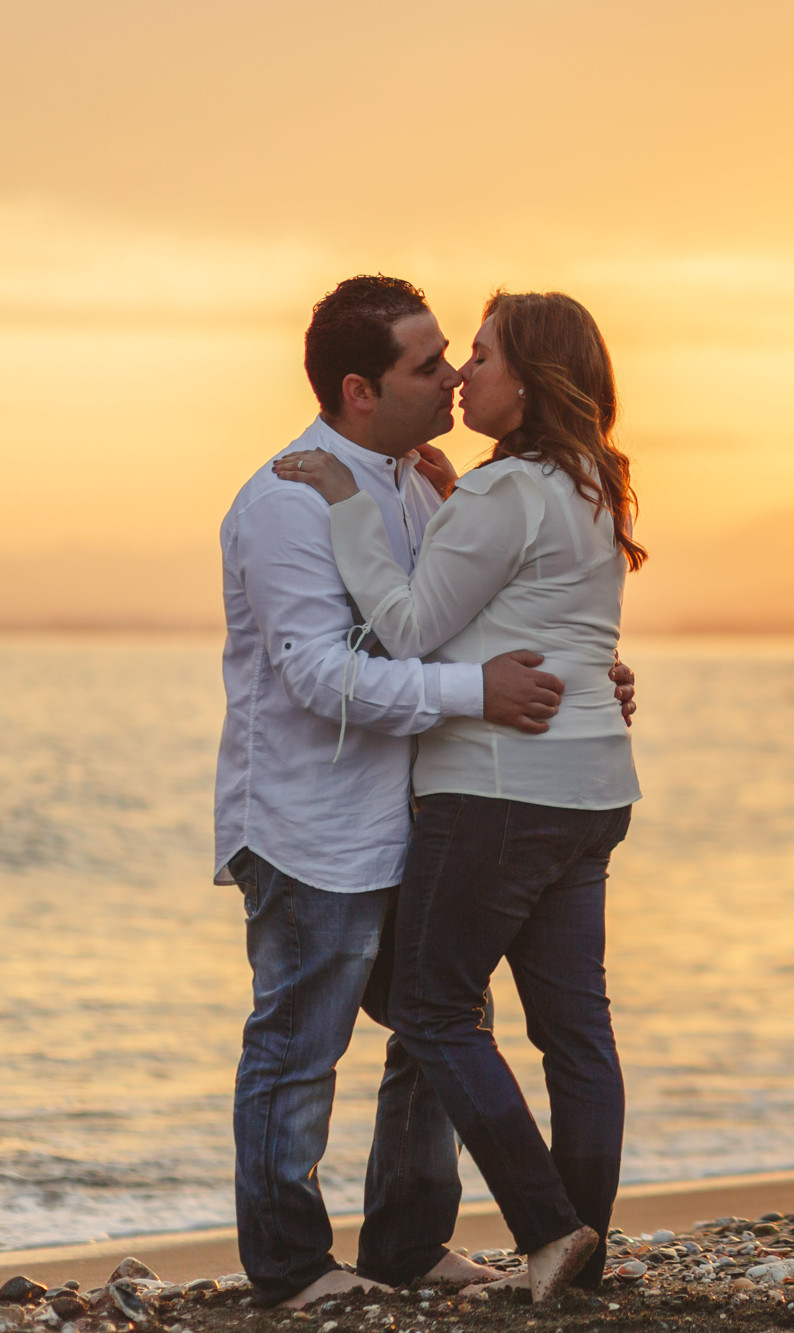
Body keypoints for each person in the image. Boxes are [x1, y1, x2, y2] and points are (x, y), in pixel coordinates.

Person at [217, 276, 636, 1310]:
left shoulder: (422, 481)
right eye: (428, 361)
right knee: (299, 1044)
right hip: (311, 819)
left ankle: (408, 1240)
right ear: (360, 390)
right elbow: (322, 674)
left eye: (463, 352)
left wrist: (583, 677)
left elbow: (479, 608)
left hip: (424, 810)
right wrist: (481, 693)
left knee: (431, 1028)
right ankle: (289, 1265)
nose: (453, 372)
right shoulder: (287, 499)